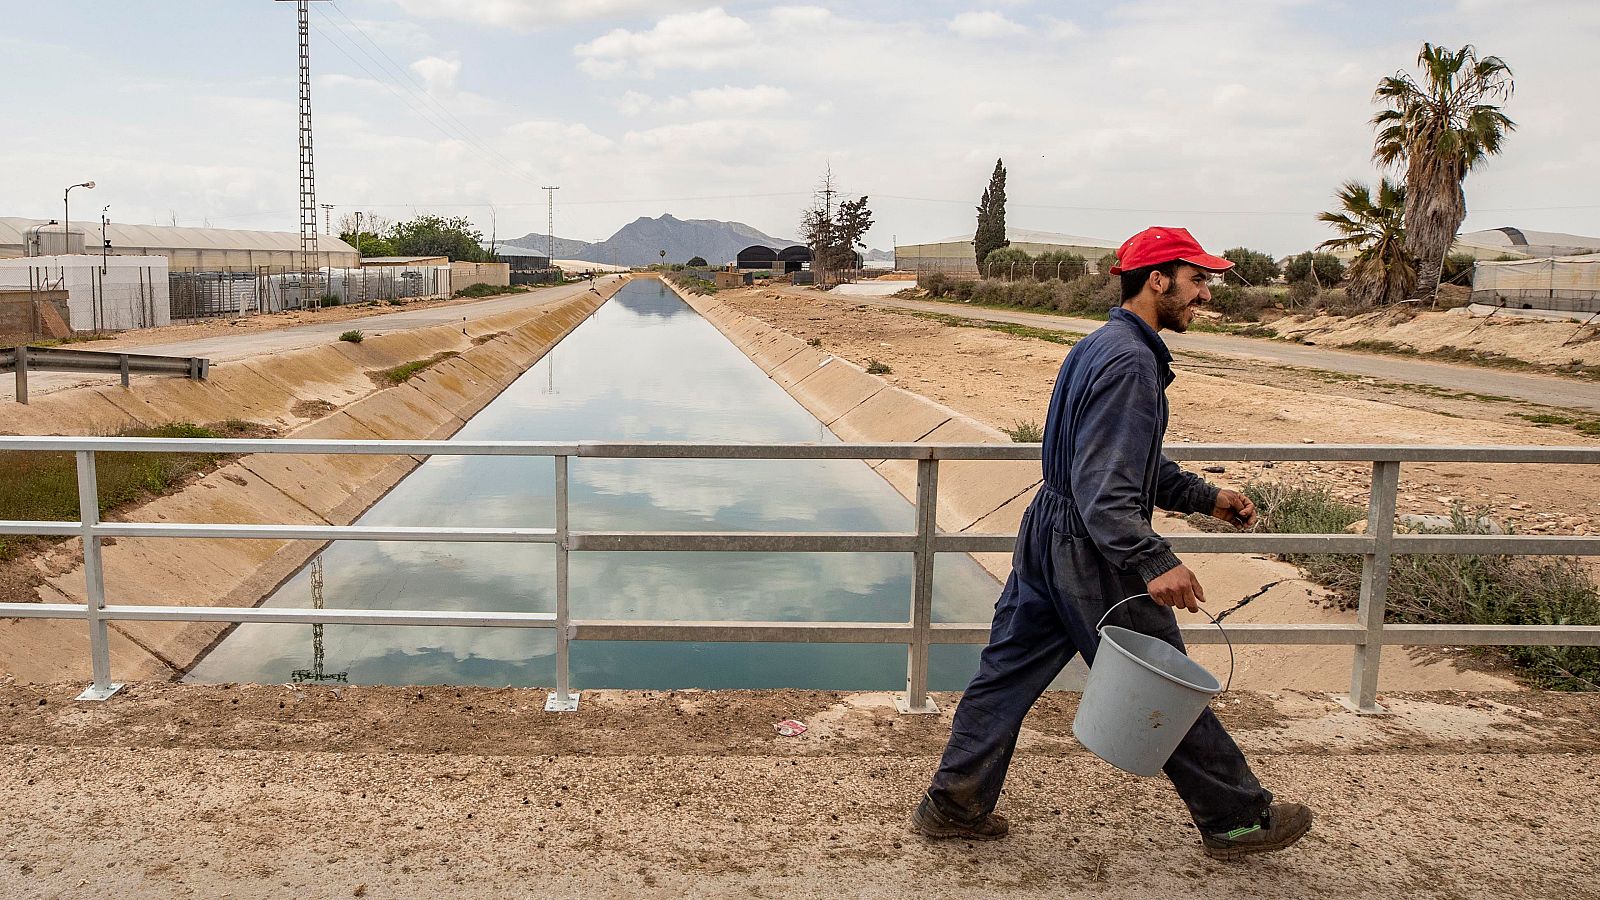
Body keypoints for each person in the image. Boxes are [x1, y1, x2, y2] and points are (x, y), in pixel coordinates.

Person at [910, 226, 1313, 860]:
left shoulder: (1099, 345)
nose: (1204, 294)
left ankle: (955, 804)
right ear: (1159, 280)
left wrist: (1206, 497)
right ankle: (1236, 818)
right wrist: (1153, 560)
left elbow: (1114, 463)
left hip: (1049, 530)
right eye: (1197, 280)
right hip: (1093, 549)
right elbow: (1107, 489)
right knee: (1163, 679)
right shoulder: (1131, 363)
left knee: (1006, 671)